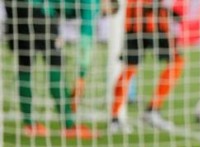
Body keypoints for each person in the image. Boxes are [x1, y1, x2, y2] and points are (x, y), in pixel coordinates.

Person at [4, 0, 118, 138]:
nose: (102, 14)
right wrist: (81, 75)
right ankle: (69, 125)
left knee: (25, 65)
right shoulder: (93, 3)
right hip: (40, 11)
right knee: (55, 64)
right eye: (105, 12)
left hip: (14, 7)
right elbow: (86, 36)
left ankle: (29, 124)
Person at [108, 0, 184, 134]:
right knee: (129, 69)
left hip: (152, 19)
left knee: (176, 61)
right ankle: (116, 117)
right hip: (139, 19)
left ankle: (151, 110)